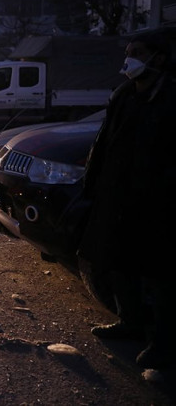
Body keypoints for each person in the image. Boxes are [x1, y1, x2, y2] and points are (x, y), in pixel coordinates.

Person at [79, 31, 176, 369]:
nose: (129, 58)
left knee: (161, 273)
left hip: (158, 201)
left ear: (158, 57)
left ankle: (163, 343)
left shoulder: (170, 97)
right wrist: (92, 186)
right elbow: (104, 143)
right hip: (118, 195)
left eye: (137, 52)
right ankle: (129, 322)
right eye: (128, 51)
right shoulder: (124, 95)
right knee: (120, 261)